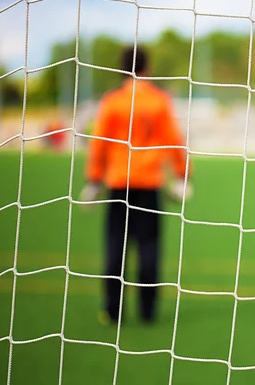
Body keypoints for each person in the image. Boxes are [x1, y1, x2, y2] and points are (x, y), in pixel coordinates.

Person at [79, 45, 193, 325]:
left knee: (115, 247)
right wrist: (183, 174)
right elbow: (174, 140)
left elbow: (99, 143)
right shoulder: (158, 101)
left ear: (120, 68)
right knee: (149, 247)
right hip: (148, 184)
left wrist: (94, 180)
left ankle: (112, 311)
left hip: (119, 184)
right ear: (148, 67)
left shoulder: (113, 102)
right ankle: (147, 312)